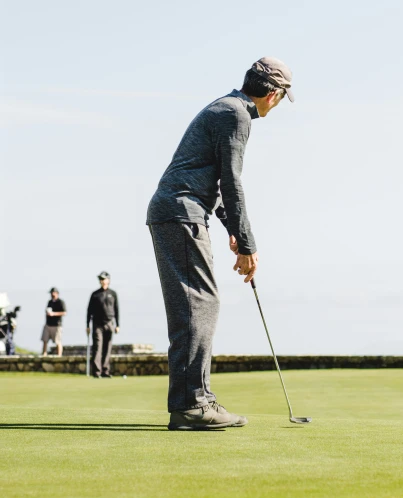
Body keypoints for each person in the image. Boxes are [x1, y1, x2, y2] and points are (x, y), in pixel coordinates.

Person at [147, 57, 293, 431]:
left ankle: (192, 401)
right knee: (199, 305)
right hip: (182, 213)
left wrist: (231, 226)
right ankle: (192, 404)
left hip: (180, 211)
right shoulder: (237, 115)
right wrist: (247, 245)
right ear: (274, 95)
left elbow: (213, 182)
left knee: (194, 306)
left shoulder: (225, 107)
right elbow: (232, 182)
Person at [86, 272, 120, 378]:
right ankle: (97, 372)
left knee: (107, 348)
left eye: (103, 279)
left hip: (109, 323)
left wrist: (117, 325)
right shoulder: (95, 294)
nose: (102, 281)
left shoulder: (113, 293)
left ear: (108, 280)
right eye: (100, 279)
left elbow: (116, 309)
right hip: (97, 324)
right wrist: (87, 325)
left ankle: (105, 371)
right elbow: (89, 310)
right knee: (97, 347)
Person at [41, 288, 66, 356]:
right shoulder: (50, 302)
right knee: (45, 340)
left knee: (58, 341)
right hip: (48, 324)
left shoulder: (61, 302)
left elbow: (64, 312)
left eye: (53, 293)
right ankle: (44, 354)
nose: (52, 294)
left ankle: (59, 355)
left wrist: (54, 314)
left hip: (57, 325)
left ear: (56, 293)